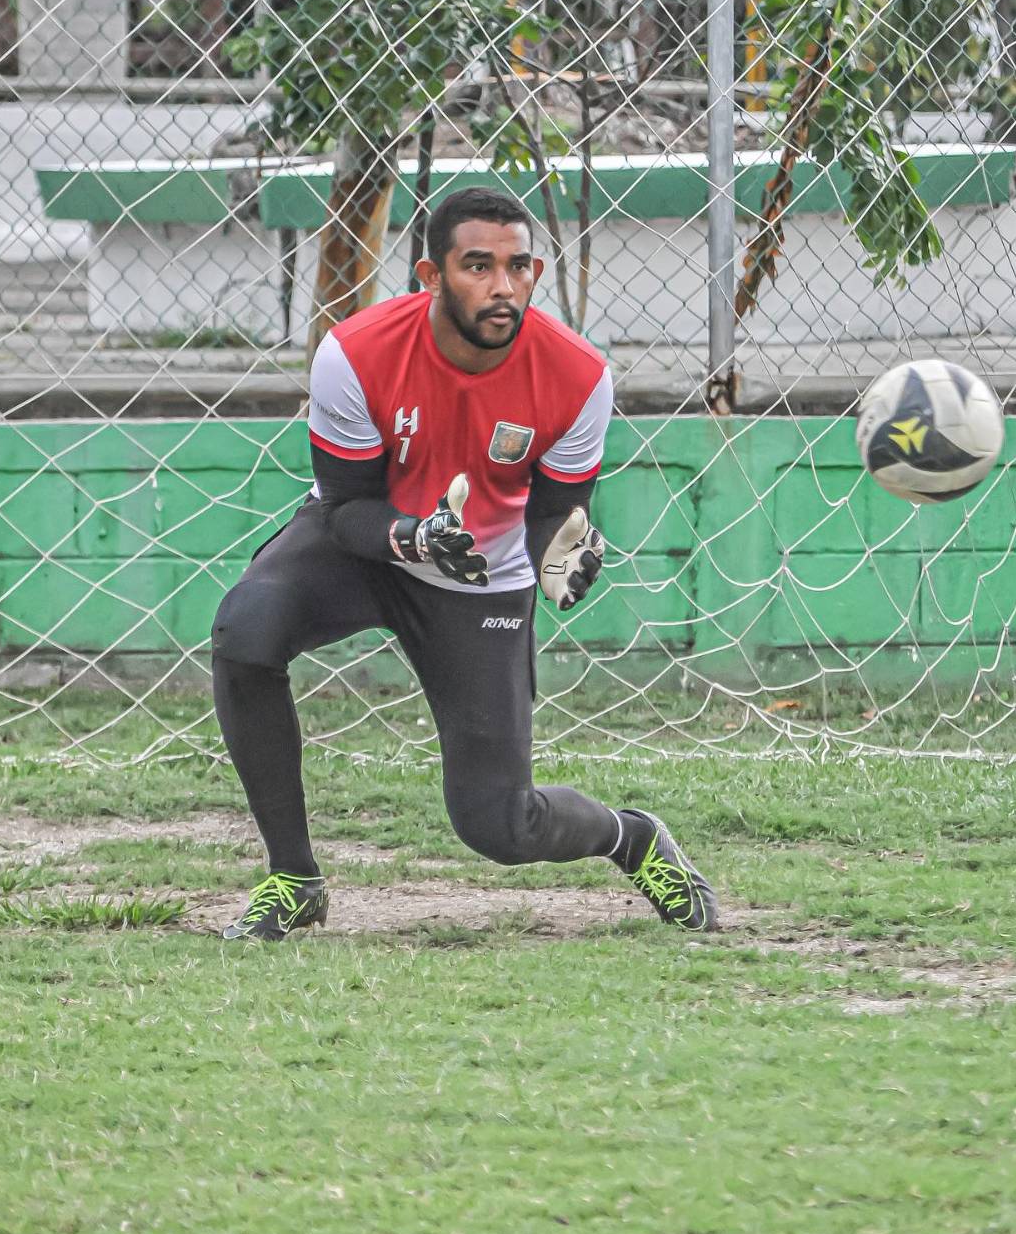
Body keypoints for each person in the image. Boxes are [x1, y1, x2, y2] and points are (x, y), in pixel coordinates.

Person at [211, 186, 717, 940]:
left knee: (500, 827)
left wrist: (568, 555)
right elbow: (346, 506)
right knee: (246, 632)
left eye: (518, 266)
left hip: (479, 572)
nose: (503, 285)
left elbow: (555, 510)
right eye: (478, 266)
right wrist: (411, 537)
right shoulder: (354, 353)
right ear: (430, 275)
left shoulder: (578, 376)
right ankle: (294, 878)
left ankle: (633, 837)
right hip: (366, 538)